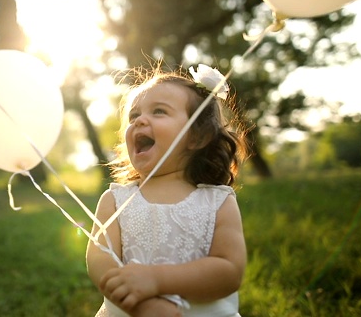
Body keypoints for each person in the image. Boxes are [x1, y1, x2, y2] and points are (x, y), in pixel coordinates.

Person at [85, 63, 249, 316]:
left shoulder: (218, 201)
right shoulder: (115, 200)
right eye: (133, 115)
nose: (139, 120)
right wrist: (140, 304)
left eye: (159, 111)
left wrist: (156, 280)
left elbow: (229, 271)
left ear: (198, 136)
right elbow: (100, 261)